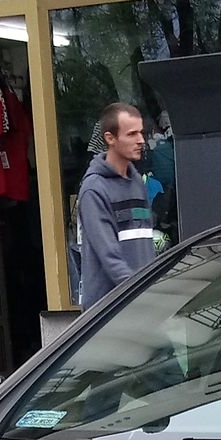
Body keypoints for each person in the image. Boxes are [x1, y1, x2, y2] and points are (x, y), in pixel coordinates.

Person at [76, 102, 154, 305]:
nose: (141, 140)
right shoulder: (94, 189)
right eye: (132, 134)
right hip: (109, 312)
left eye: (141, 133)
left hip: (140, 303)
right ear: (110, 138)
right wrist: (145, 296)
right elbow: (110, 258)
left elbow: (145, 247)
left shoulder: (137, 182)